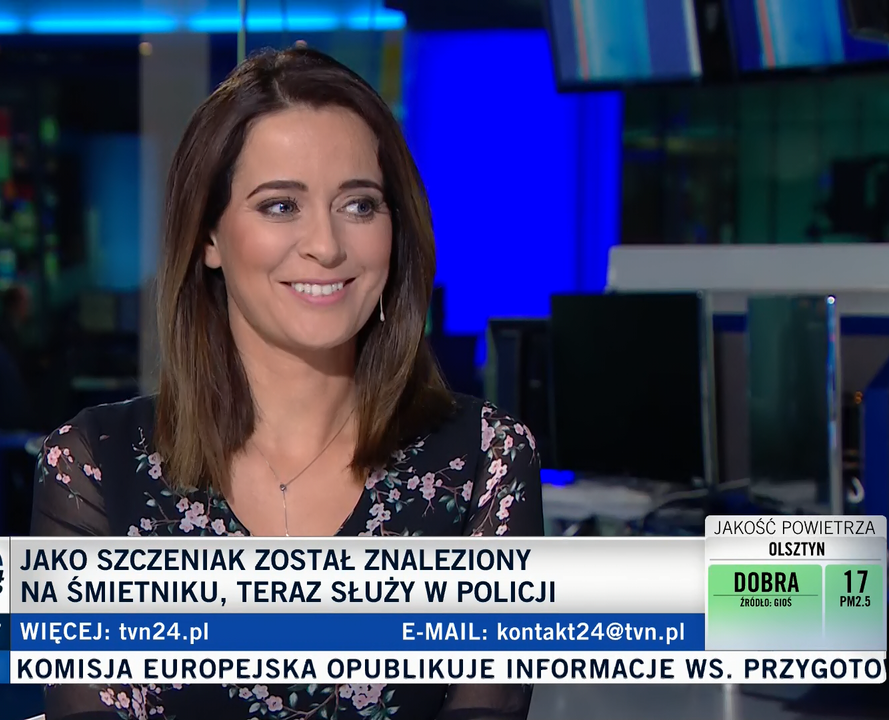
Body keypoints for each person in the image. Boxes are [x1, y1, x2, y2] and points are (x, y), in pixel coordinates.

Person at [32, 47, 542, 720]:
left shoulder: (485, 460)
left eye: (359, 205)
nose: (326, 245)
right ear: (210, 237)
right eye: (280, 206)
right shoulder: (92, 467)